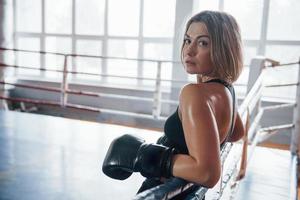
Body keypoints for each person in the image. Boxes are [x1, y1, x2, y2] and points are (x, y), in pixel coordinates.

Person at [102, 10, 245, 197]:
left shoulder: (194, 93)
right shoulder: (228, 91)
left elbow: (208, 174)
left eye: (203, 43)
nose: (189, 50)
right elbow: (236, 133)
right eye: (187, 40)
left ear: (224, 49)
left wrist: (145, 155)